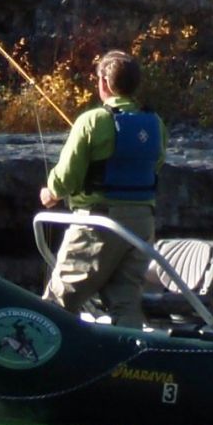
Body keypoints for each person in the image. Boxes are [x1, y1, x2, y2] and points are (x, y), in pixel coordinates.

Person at [39, 50, 165, 329]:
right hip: (142, 223)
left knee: (61, 299)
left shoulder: (92, 120)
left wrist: (50, 192)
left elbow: (67, 178)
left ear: (105, 83)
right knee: (125, 299)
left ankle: (44, 349)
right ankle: (131, 352)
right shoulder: (155, 123)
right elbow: (155, 165)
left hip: (99, 223)